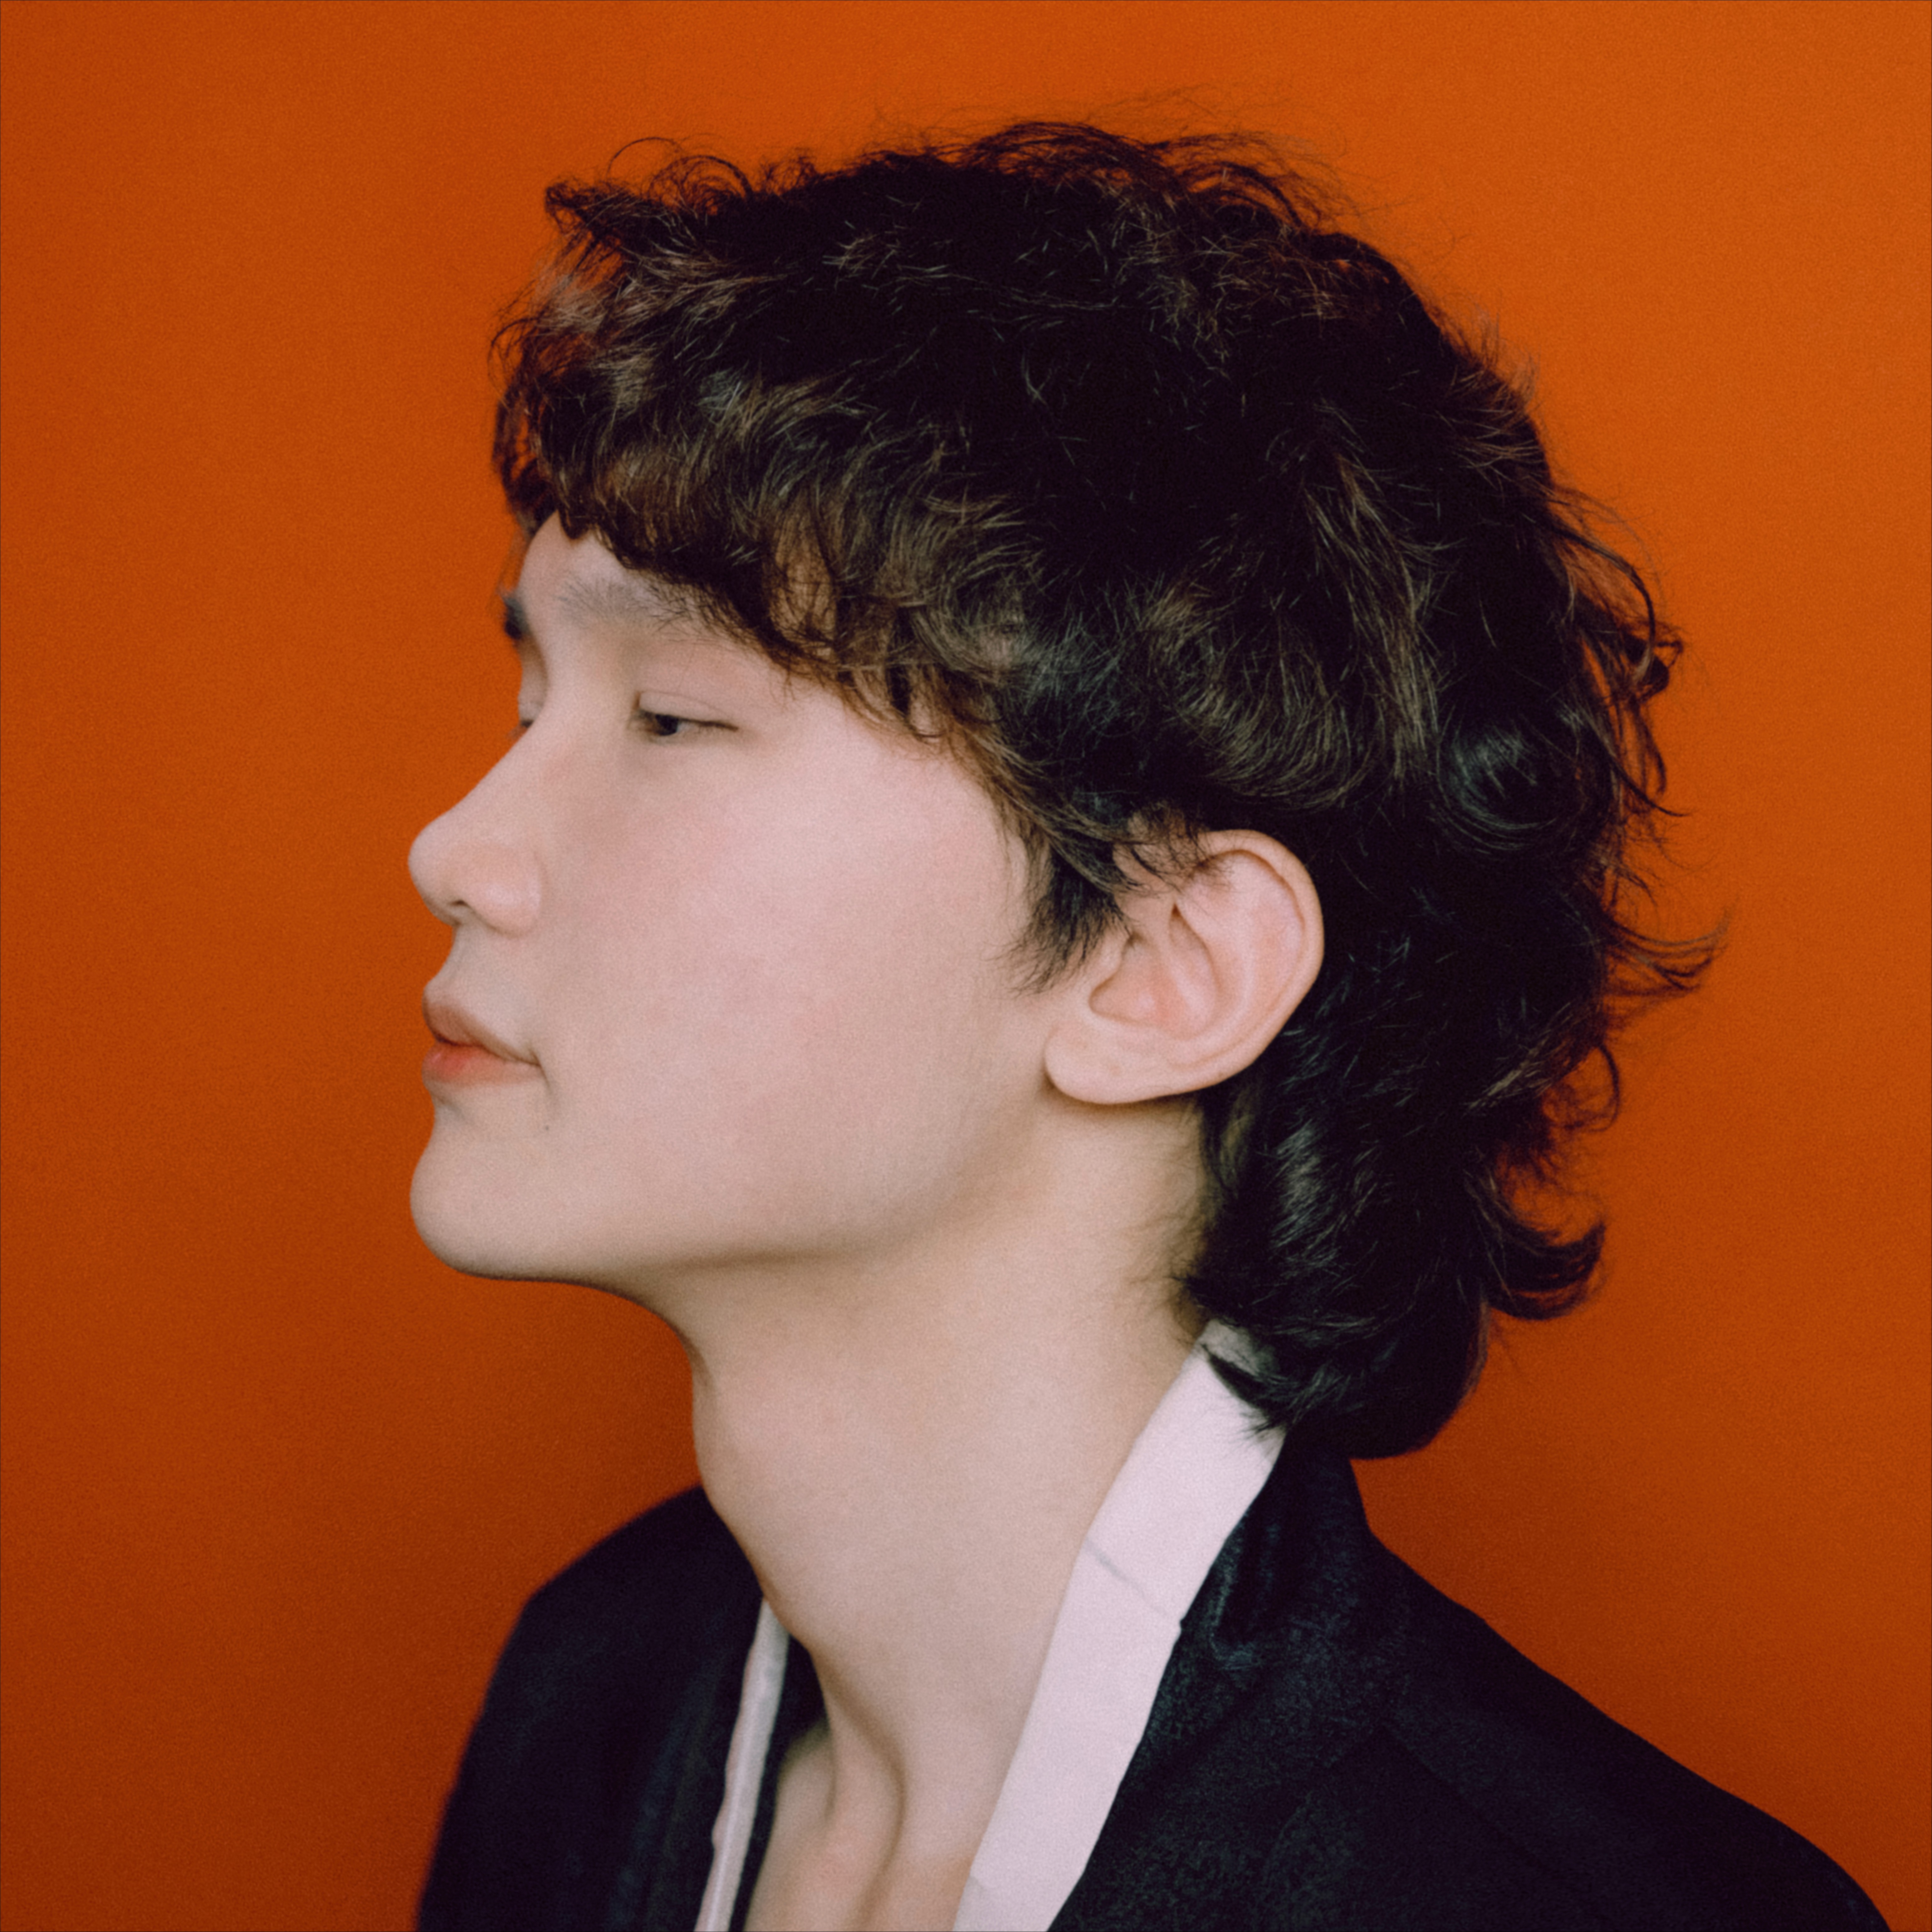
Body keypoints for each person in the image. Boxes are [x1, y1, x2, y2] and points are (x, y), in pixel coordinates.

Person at [407, 125, 1885, 1932]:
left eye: (673, 720)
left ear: (1164, 964)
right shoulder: (593, 1697)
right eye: (531, 704)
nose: (455, 849)